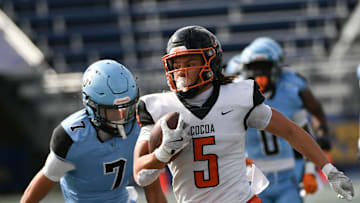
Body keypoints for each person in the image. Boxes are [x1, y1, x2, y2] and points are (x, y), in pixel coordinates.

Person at [132, 25, 354, 202]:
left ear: (211, 62)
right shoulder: (158, 106)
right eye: (176, 64)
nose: (182, 71)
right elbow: (139, 170)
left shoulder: (238, 96)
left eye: (190, 63)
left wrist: (328, 169)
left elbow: (290, 130)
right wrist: (162, 154)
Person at [20, 59, 166, 203]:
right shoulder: (71, 138)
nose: (121, 116)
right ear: (91, 105)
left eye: (127, 108)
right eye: (112, 110)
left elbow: (152, 187)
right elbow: (45, 179)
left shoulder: (141, 125)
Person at [225, 37, 327, 202]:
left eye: (263, 68)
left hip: (288, 176)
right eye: (254, 68)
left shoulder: (291, 90)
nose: (259, 75)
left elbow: (304, 135)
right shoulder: (234, 95)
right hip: (252, 178)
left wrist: (309, 171)